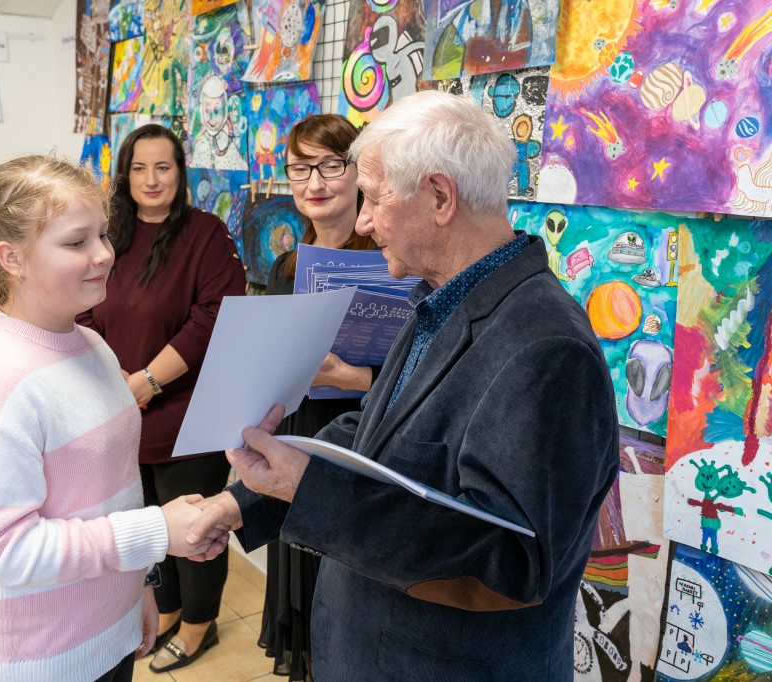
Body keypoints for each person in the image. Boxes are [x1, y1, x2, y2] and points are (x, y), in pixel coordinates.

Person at [187, 90, 620, 679]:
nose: (363, 220)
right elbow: (373, 432)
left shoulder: (547, 349)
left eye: (373, 197)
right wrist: (242, 500)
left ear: (439, 196)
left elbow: (511, 566)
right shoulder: (441, 299)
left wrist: (309, 489)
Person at [0, 155, 226, 682]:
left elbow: (112, 492)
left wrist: (139, 585)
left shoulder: (91, 344)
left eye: (103, 234)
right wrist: (156, 532)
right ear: (12, 258)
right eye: (76, 242)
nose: (103, 255)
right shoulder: (0, 382)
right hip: (37, 662)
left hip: (105, 636)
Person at [78, 124, 247, 673]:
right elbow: (81, 309)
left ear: (181, 172)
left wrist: (147, 381)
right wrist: (117, 379)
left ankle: (199, 624)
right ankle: (169, 609)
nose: (151, 179)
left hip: (188, 416)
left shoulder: (205, 233)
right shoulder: (109, 237)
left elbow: (214, 318)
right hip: (121, 410)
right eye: (139, 168)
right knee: (150, 525)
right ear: (124, 176)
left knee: (197, 529)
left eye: (163, 167)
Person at [261, 113, 377, 681]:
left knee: (349, 598)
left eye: (331, 166)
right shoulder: (285, 268)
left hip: (361, 441)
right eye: (300, 169)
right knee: (303, 589)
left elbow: (418, 376)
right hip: (296, 434)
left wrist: (350, 376)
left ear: (359, 172)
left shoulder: (389, 262)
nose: (315, 182)